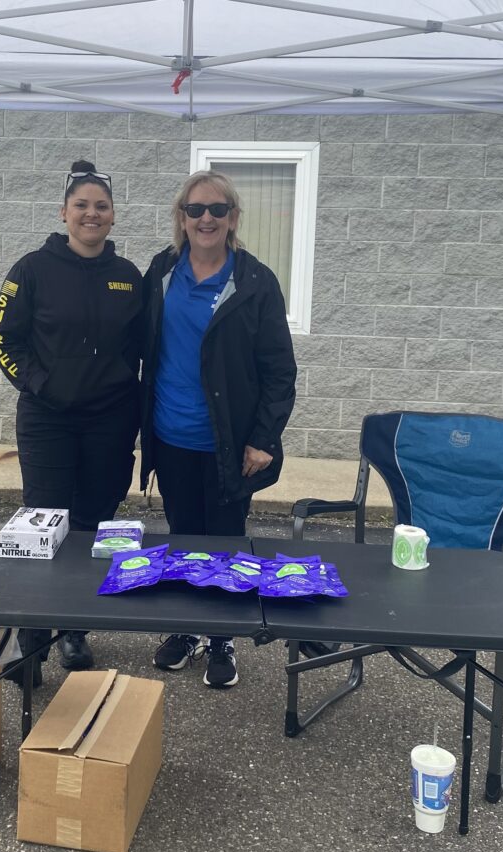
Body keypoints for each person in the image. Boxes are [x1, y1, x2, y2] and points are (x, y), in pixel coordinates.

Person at [140, 170, 297, 688]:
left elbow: (279, 371)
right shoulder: (161, 272)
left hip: (230, 444)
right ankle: (188, 629)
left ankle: (222, 638)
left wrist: (264, 439)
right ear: (181, 218)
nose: (205, 218)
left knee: (226, 541)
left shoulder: (255, 282)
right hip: (171, 435)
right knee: (183, 537)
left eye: (217, 209)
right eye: (194, 209)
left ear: (233, 218)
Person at [0, 160, 142, 678]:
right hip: (48, 421)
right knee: (44, 527)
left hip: (110, 424)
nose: (91, 214)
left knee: (94, 529)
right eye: (82, 205)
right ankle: (30, 640)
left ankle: (73, 631)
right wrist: (40, 383)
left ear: (114, 217)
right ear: (64, 212)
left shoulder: (128, 277)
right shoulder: (32, 268)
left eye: (101, 206)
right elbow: (0, 337)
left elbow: (145, 349)